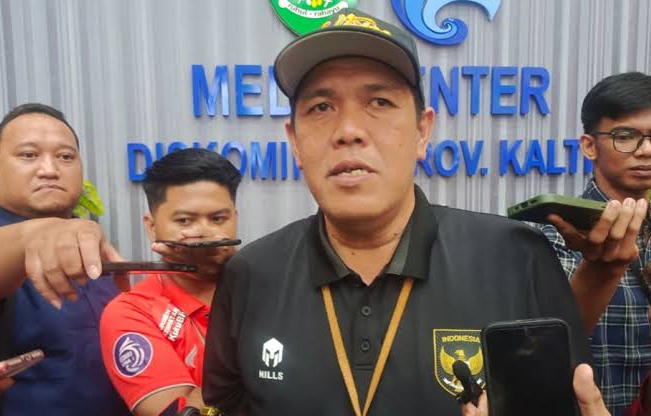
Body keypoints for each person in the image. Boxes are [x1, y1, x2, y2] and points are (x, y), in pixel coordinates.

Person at [203, 9, 608, 415]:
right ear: (294, 141)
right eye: (321, 107)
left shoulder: (516, 258)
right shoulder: (251, 275)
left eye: (379, 102)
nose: (348, 131)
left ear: (422, 131)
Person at [539, 72, 651, 415]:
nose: (648, 151)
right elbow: (542, 350)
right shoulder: (555, 236)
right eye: (625, 136)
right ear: (589, 146)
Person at [0, 103, 129, 415]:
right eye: (29, 155)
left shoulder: (90, 242)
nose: (49, 170)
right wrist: (37, 234)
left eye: (65, 157)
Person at [99, 148, 241, 416]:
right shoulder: (131, 313)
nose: (203, 233)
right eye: (184, 221)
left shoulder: (265, 285)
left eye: (218, 219)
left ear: (235, 218)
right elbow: (177, 411)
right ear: (151, 227)